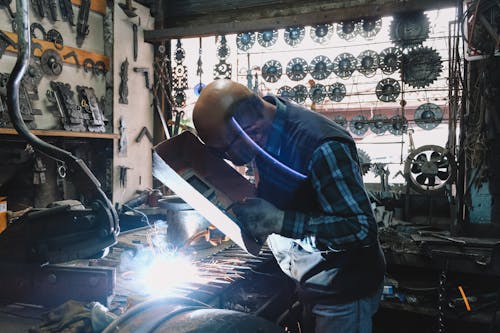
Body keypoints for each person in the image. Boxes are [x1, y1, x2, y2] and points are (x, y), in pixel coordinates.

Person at [192, 79, 386, 332]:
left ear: (252, 130)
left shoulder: (322, 146)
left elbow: (359, 229)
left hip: (343, 291)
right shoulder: (265, 130)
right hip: (311, 281)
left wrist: (280, 221)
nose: (227, 159)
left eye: (223, 152)